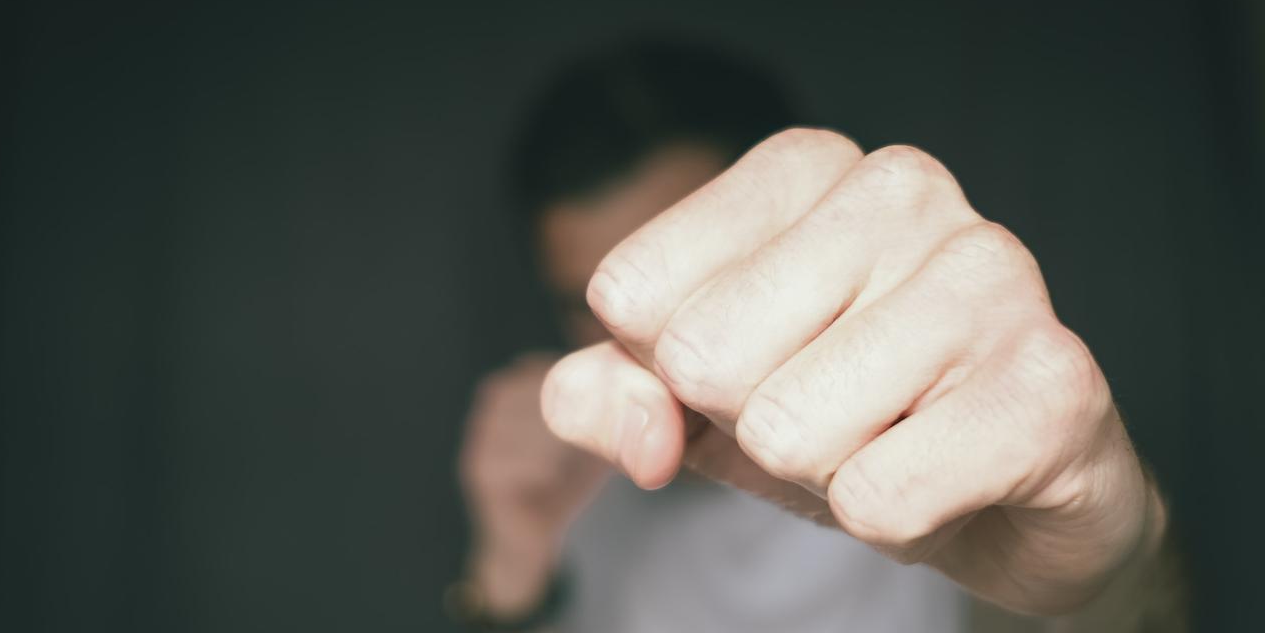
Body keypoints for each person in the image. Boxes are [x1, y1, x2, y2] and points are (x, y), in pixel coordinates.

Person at [453, 39, 1182, 632]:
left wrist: (1102, 566)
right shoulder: (566, 486)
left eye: (683, 271)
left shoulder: (941, 431)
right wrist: (509, 582)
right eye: (591, 308)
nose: (645, 343)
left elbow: (1114, 603)